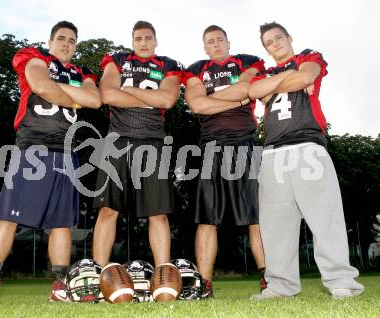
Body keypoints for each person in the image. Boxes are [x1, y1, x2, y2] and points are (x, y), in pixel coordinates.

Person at [0, 21, 101, 305]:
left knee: (62, 223)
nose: (66, 43)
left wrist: (63, 93)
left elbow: (94, 99)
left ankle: (59, 284)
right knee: (8, 215)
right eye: (61, 38)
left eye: (71, 40)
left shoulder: (83, 72)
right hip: (34, 147)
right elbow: (40, 85)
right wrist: (73, 96)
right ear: (50, 41)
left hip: (68, 152)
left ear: (76, 45)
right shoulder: (34, 56)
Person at [249, 22, 364, 300]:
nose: (275, 44)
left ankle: (341, 281)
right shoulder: (263, 73)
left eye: (279, 38)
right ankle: (280, 285)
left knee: (325, 218)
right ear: (265, 48)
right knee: (275, 227)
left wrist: (285, 81)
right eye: (269, 42)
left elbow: (305, 77)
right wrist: (290, 77)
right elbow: (254, 92)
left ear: (289, 38)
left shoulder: (308, 56)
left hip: (307, 146)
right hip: (273, 152)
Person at [183, 25, 266, 298]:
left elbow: (247, 86)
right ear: (205, 47)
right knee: (207, 219)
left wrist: (212, 99)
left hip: (245, 143)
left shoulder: (248, 61)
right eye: (210, 42)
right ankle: (204, 284)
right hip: (210, 147)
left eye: (220, 40)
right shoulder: (196, 68)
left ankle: (270, 278)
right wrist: (237, 98)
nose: (216, 44)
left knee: (258, 218)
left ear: (229, 42)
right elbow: (196, 105)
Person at [92, 21, 182, 269]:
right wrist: (149, 99)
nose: (143, 42)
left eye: (148, 38)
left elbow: (167, 99)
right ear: (132, 42)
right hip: (117, 141)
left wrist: (128, 90)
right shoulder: (118, 59)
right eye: (139, 38)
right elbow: (108, 95)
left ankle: (163, 273)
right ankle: (100, 272)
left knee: (159, 214)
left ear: (156, 40)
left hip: (153, 143)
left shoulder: (168, 65)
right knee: (108, 210)